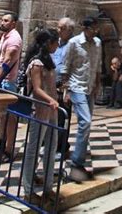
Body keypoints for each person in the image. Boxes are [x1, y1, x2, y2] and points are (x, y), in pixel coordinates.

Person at [59, 16, 102, 182]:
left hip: (90, 87)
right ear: (86, 28)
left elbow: (97, 65)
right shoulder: (74, 43)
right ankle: (77, 162)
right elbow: (65, 66)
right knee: (85, 121)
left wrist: (97, 84)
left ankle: (79, 164)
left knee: (87, 124)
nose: (96, 31)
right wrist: (66, 89)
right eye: (93, 28)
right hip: (76, 86)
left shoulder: (97, 43)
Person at [22, 28, 59, 205]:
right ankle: (28, 190)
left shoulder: (48, 61)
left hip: (52, 109)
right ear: (47, 43)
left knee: (51, 148)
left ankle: (48, 187)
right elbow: (36, 89)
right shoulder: (36, 63)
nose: (58, 45)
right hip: (41, 108)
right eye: (55, 42)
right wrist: (51, 100)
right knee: (34, 149)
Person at [0, 12, 22, 162]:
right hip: (2, 81)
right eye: (2, 20)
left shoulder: (14, 39)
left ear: (13, 23)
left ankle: (9, 149)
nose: (2, 22)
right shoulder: (5, 36)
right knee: (3, 117)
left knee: (10, 117)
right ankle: (1, 145)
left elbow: (7, 60)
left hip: (7, 82)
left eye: (6, 20)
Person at [53, 17, 75, 154]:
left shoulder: (73, 46)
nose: (58, 30)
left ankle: (61, 146)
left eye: (61, 28)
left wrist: (69, 90)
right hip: (51, 85)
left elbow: (74, 69)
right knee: (53, 117)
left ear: (70, 30)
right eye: (58, 27)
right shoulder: (56, 43)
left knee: (63, 118)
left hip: (64, 87)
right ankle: (53, 143)